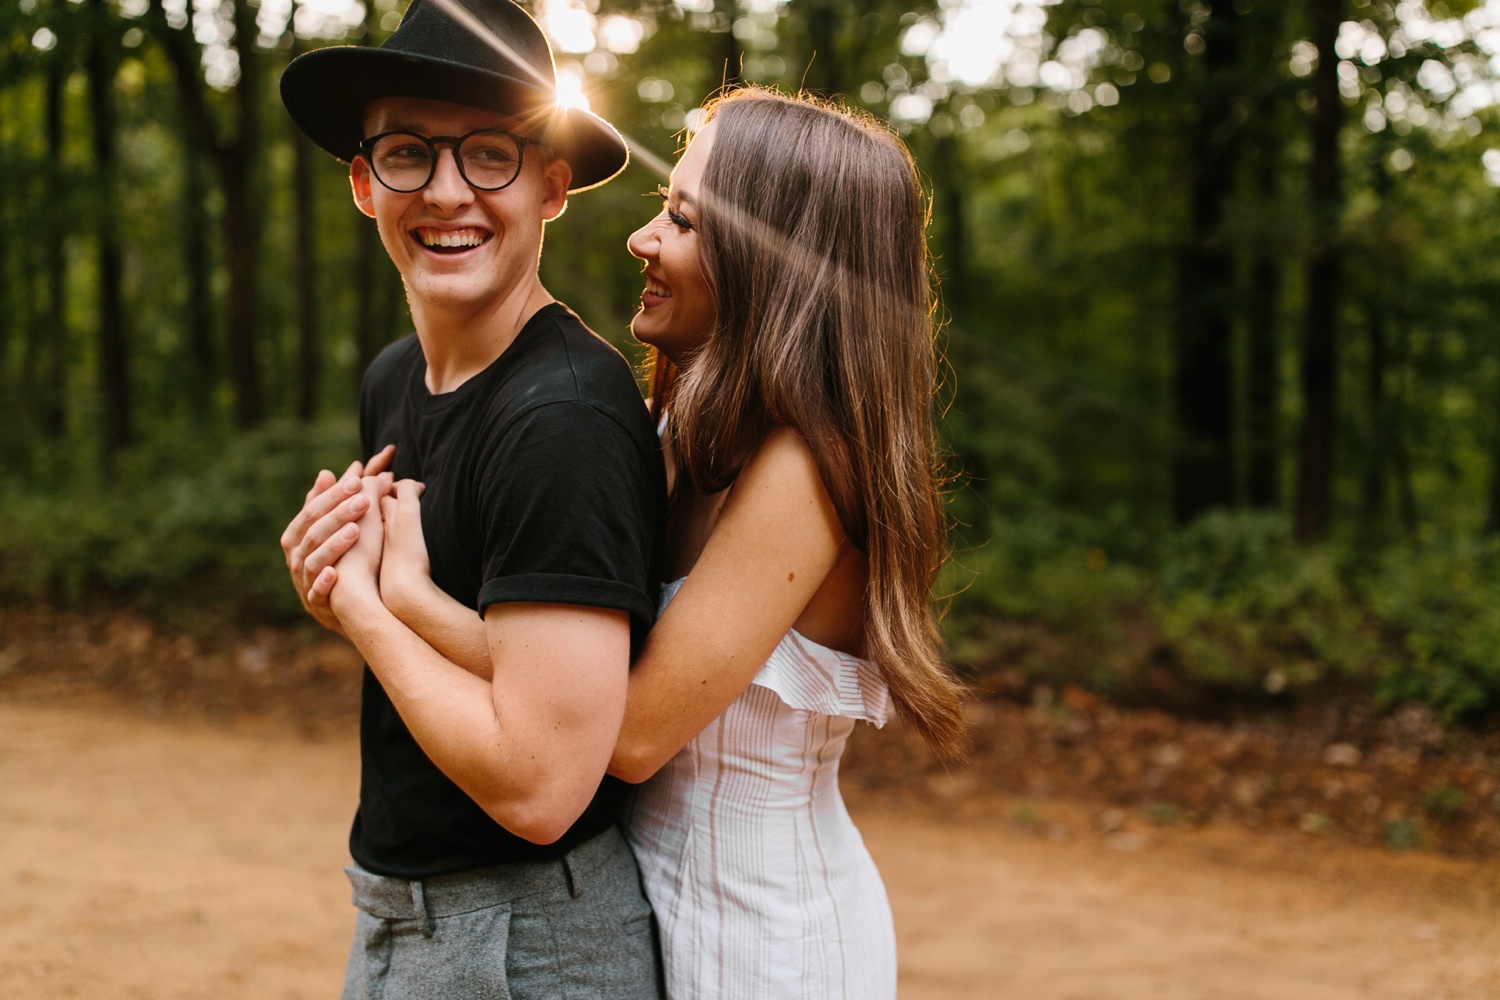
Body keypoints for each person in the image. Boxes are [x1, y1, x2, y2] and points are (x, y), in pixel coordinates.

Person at [319, 87, 970, 999]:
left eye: (685, 221)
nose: (642, 238)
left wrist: (400, 599)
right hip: (649, 901)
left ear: (778, 260)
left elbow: (613, 734)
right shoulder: (688, 433)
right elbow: (568, 679)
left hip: (764, 943)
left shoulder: (808, 473)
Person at [275, 1, 666, 997]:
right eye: (409, 152)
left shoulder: (565, 416)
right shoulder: (392, 378)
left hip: (525, 938)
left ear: (551, 187)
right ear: (365, 183)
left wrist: (363, 605)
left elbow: (540, 786)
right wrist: (361, 583)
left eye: (490, 153)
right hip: (402, 912)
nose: (448, 192)